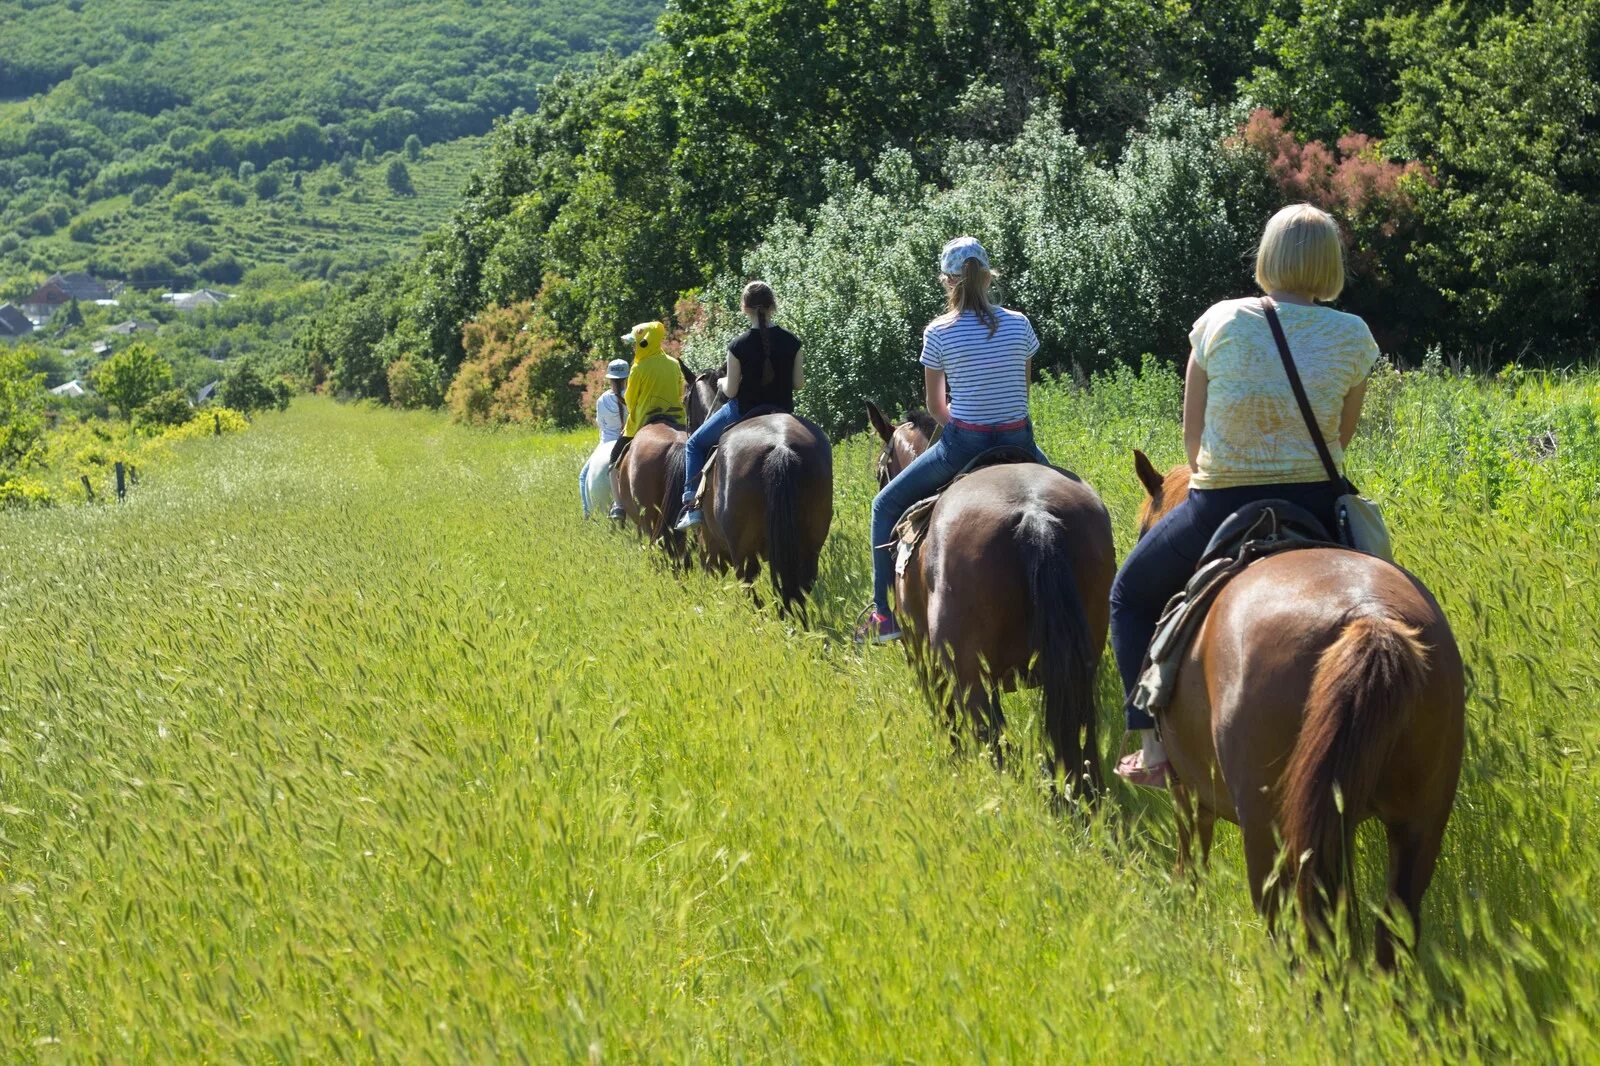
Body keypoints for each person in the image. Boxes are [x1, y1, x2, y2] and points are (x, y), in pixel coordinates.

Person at [1110, 203, 1382, 787]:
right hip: (1315, 506)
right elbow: (1341, 438)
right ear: (1330, 264)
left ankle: (1153, 746)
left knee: (1128, 597)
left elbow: (1191, 442)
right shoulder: (1355, 336)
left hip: (1219, 505)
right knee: (1389, 599)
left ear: (1267, 256)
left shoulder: (1219, 321)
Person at [854, 236, 1048, 645]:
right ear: (987, 277)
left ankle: (883, 616)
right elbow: (1023, 392)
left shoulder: (939, 332)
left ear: (948, 281)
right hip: (1019, 440)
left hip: (964, 444)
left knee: (884, 503)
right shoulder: (1019, 323)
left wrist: (965, 423)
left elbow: (936, 407)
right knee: (1070, 494)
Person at [674, 281, 804, 530]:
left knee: (693, 444)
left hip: (743, 412)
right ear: (773, 305)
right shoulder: (793, 342)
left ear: (744, 308)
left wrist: (722, 382)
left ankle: (691, 505)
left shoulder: (737, 346)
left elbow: (731, 391)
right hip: (783, 412)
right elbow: (798, 384)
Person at [608, 320, 688, 520]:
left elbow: (630, 399)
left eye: (635, 343)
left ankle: (618, 505)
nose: (634, 347)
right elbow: (680, 391)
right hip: (677, 419)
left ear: (643, 343)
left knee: (613, 461)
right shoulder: (673, 363)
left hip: (643, 421)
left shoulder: (638, 367)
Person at [579, 358, 629, 518]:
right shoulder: (633, 396)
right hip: (629, 440)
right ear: (627, 377)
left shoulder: (602, 399)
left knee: (583, 475)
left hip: (607, 442)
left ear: (610, 378)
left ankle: (587, 514)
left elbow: (601, 424)